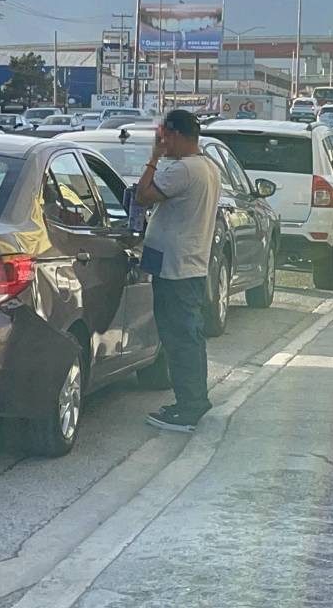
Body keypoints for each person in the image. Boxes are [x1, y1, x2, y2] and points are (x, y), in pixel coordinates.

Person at [133, 109, 222, 432]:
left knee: (181, 339)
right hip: (185, 264)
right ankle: (192, 400)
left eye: (166, 136)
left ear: (180, 136)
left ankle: (190, 407)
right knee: (186, 339)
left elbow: (143, 196)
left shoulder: (183, 170)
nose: (163, 142)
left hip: (177, 267)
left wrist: (153, 158)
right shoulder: (208, 167)